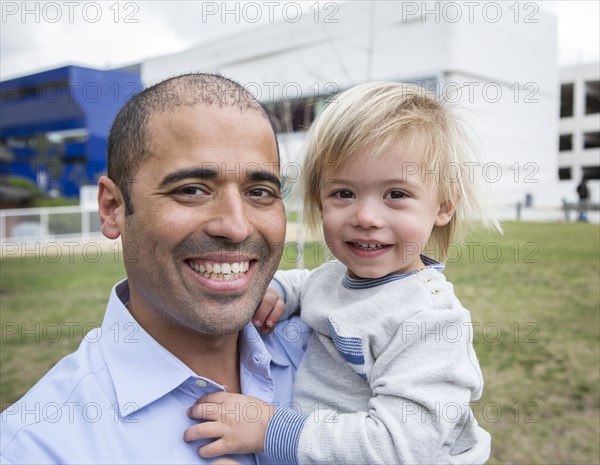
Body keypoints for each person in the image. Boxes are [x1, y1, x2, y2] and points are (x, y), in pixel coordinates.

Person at [184, 82, 500, 464]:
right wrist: (280, 288)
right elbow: (314, 282)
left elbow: (397, 447)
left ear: (443, 207)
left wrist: (268, 430)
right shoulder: (338, 276)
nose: (365, 217)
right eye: (344, 194)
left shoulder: (430, 322)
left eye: (396, 195)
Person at [0, 73, 309, 464]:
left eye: (259, 192)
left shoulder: (338, 349)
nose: (235, 226)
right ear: (113, 208)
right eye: (192, 190)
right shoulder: (37, 447)